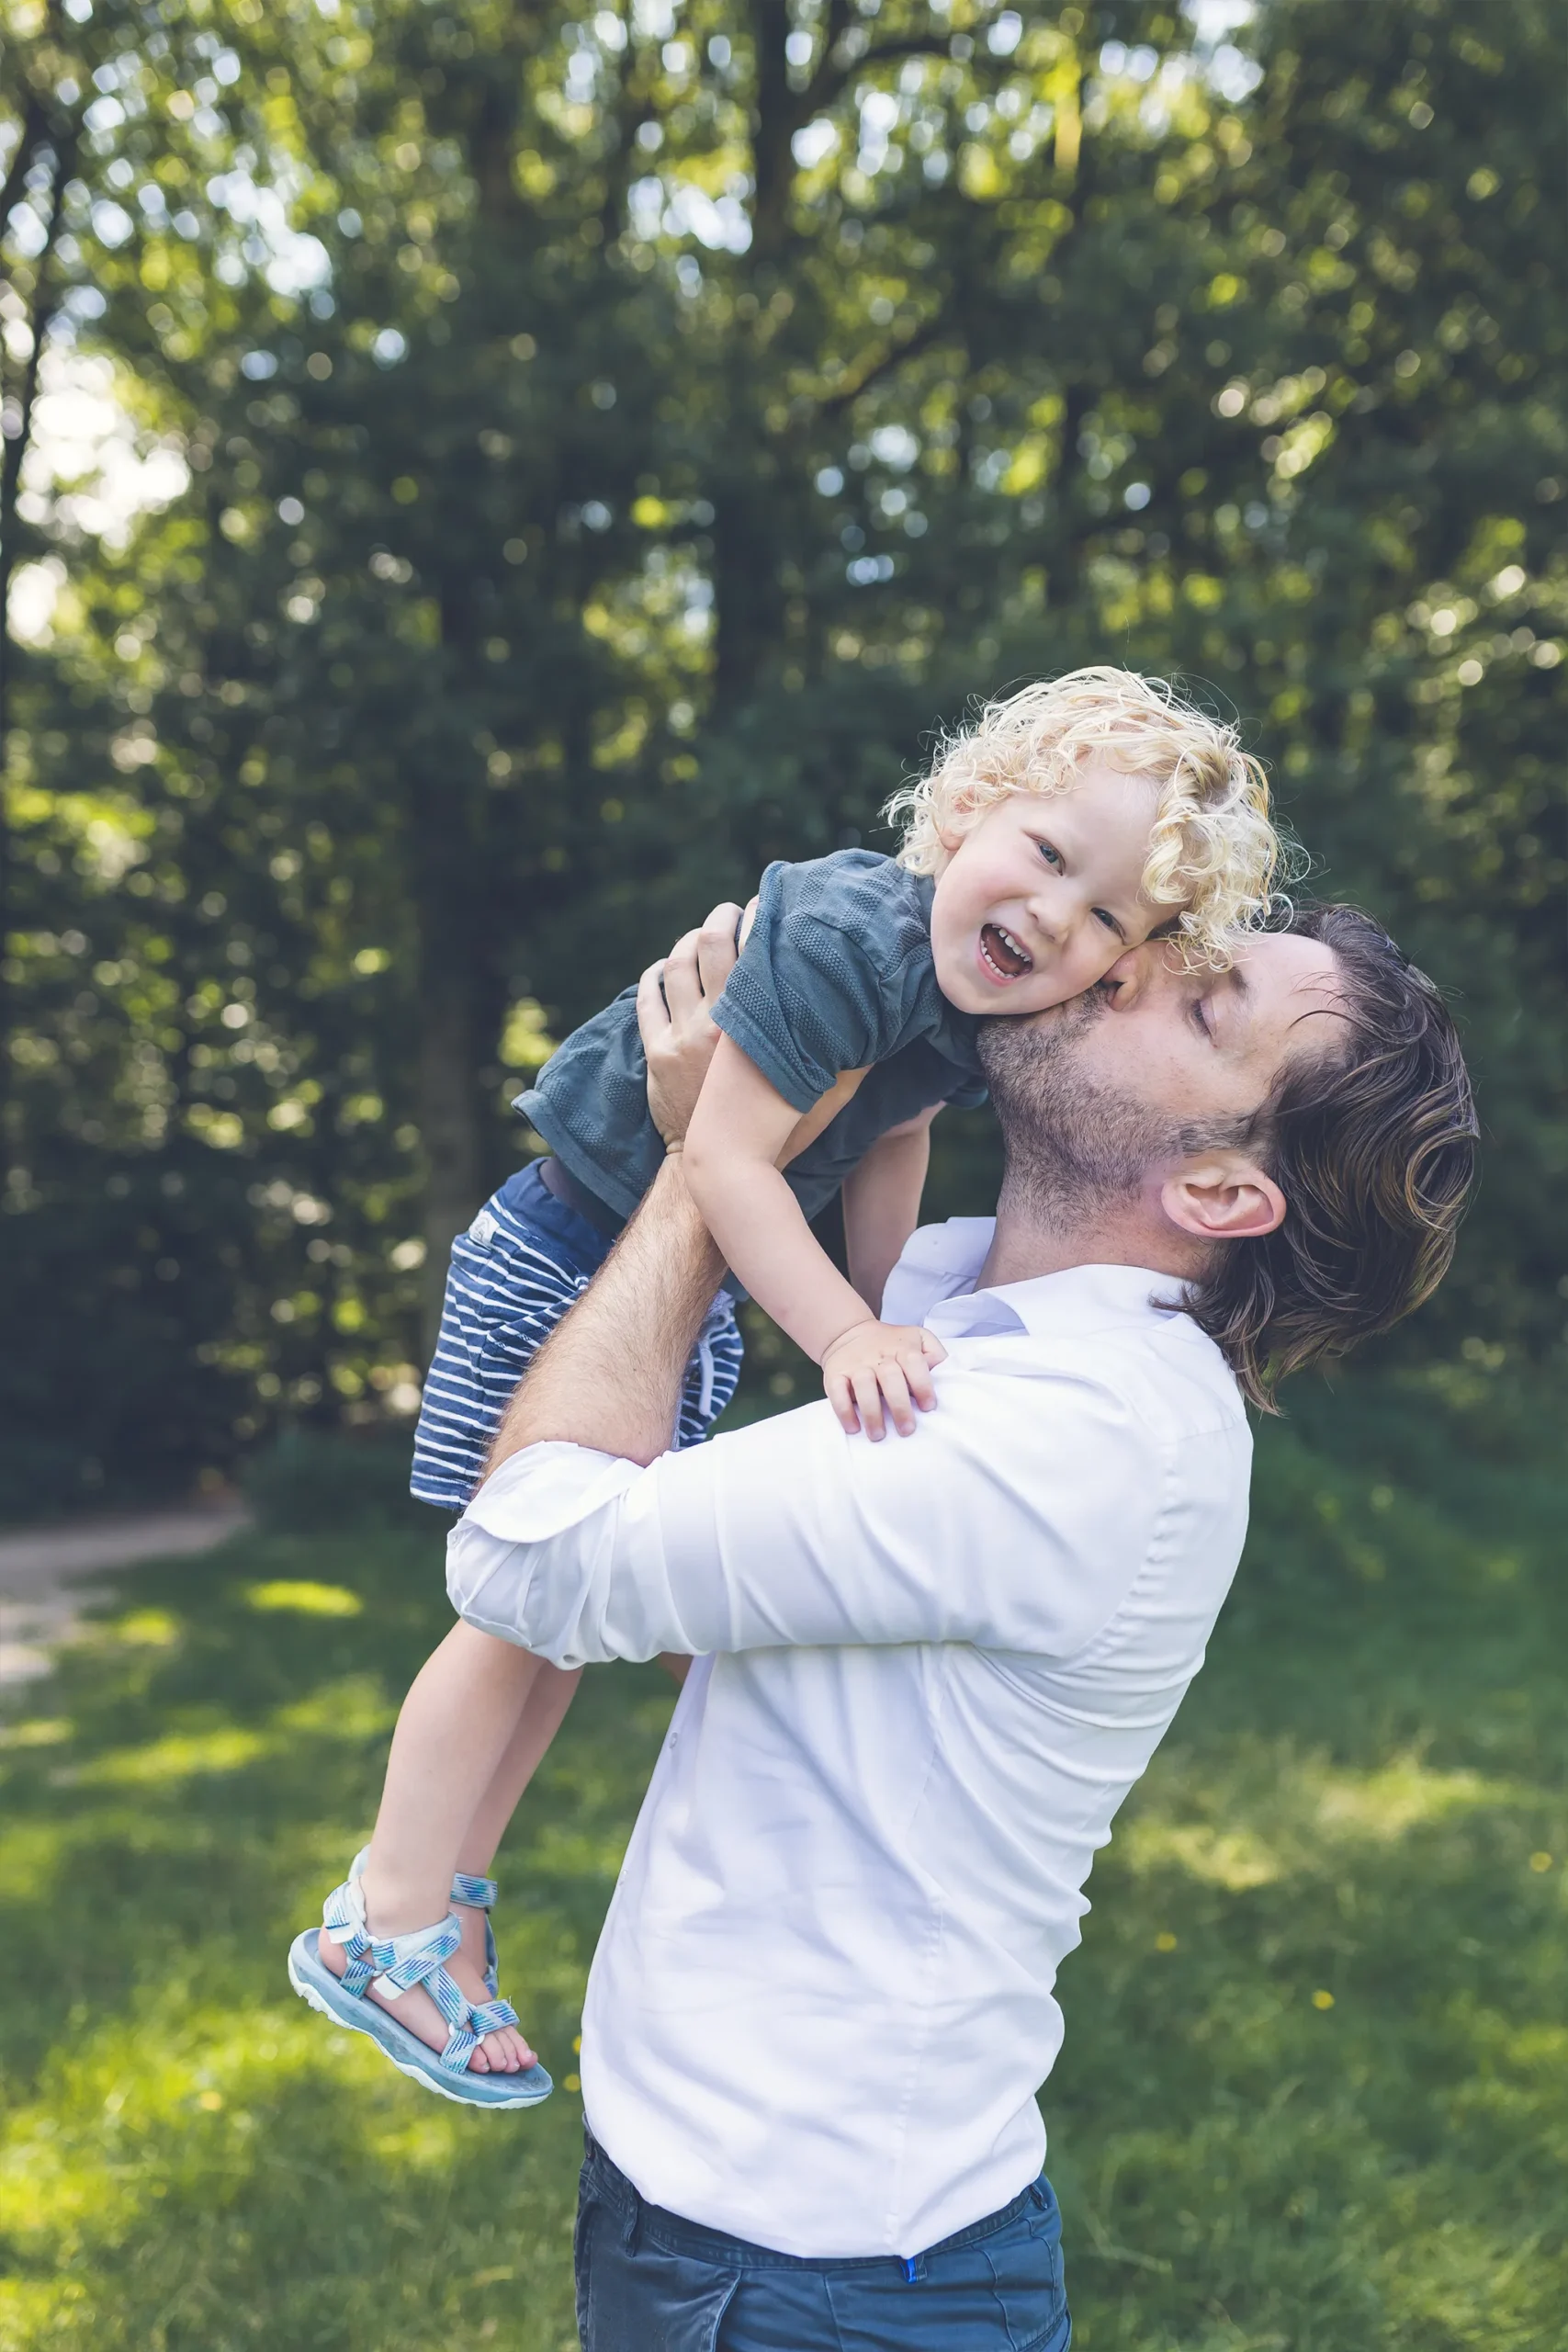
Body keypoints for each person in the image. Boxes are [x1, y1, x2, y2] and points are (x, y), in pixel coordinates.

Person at [434, 895, 1472, 2347]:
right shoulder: (979, 1339)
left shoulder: (1059, 1436)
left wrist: (703, 1160)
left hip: (806, 2281)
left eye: (1203, 1005)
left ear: (1223, 1194)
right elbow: (704, 1632)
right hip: (753, 2222)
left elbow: (526, 1565)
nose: (1135, 960)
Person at [288, 667, 1280, 2098]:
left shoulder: (964, 1005)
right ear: (963, 809)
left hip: (658, 1301)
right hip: (564, 1251)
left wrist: (878, 1307)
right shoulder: (846, 938)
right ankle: (382, 1913)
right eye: (1048, 857)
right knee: (507, 1607)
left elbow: (890, 1142)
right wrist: (841, 1345)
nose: (1055, 917)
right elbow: (721, 1161)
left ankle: (452, 1900)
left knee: (561, 1637)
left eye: (1106, 916)